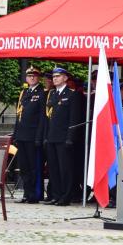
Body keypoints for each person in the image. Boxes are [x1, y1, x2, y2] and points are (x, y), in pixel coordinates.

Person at [43, 67, 83, 207]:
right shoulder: (52, 94)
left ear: (65, 78)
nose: (55, 79)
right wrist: (46, 136)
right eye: (54, 77)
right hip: (52, 137)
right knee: (53, 169)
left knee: (65, 169)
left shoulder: (72, 95)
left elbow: (74, 119)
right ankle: (56, 195)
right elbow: (48, 118)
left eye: (58, 76)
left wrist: (70, 138)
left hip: (64, 138)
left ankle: (66, 196)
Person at [14, 67, 46, 204]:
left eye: (34, 76)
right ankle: (27, 193)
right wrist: (16, 134)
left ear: (38, 78)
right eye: (29, 76)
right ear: (26, 78)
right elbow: (18, 115)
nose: (32, 78)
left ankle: (34, 194)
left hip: (32, 136)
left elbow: (42, 118)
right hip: (21, 135)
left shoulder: (42, 93)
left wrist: (39, 137)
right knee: (24, 167)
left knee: (33, 167)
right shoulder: (24, 92)